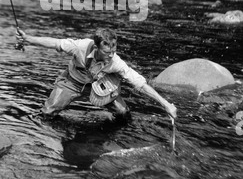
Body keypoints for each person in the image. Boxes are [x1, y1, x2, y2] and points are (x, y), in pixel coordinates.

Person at [16, 27, 177, 122]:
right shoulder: (80, 46)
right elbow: (55, 43)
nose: (111, 55)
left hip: (99, 86)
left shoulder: (116, 62)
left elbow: (140, 84)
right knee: (47, 114)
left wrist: (166, 104)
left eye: (114, 50)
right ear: (96, 47)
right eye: (107, 51)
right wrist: (28, 39)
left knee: (123, 113)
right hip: (71, 82)